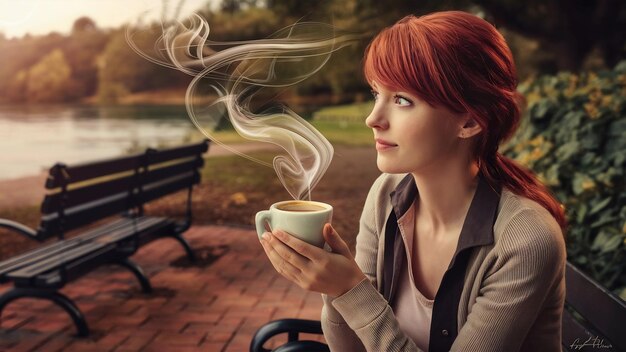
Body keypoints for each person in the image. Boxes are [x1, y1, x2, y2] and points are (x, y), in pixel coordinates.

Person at [259, 10, 567, 352]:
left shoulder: (525, 241)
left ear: (469, 121)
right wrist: (336, 289)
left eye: (402, 100)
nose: (373, 118)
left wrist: (350, 290)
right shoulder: (386, 195)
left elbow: (360, 308)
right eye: (377, 94)